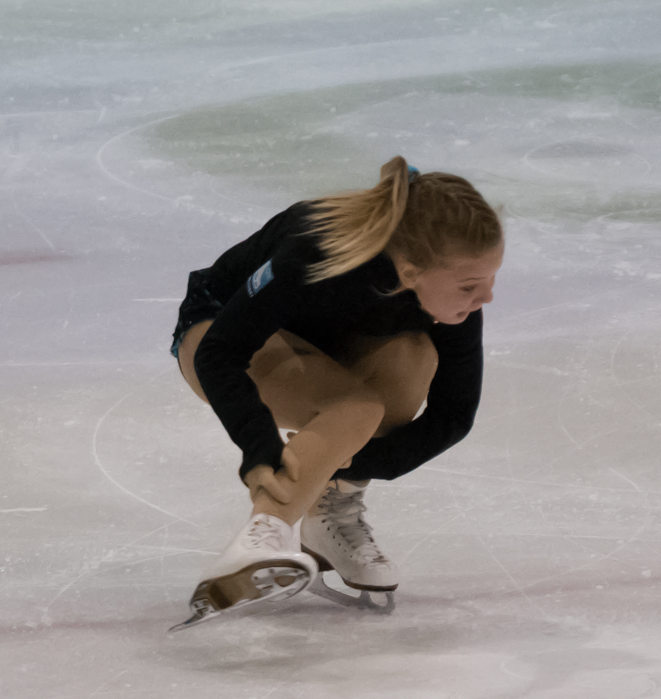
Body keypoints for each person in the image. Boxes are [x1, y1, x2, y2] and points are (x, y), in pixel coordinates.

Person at [167, 156, 502, 629]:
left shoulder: (448, 299)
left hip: (324, 343)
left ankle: (329, 513)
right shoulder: (316, 249)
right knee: (355, 409)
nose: (486, 298)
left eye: (491, 279)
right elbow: (221, 353)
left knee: (412, 362)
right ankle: (262, 538)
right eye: (470, 285)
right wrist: (260, 450)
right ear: (410, 270)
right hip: (219, 330)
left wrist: (344, 465)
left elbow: (453, 415)